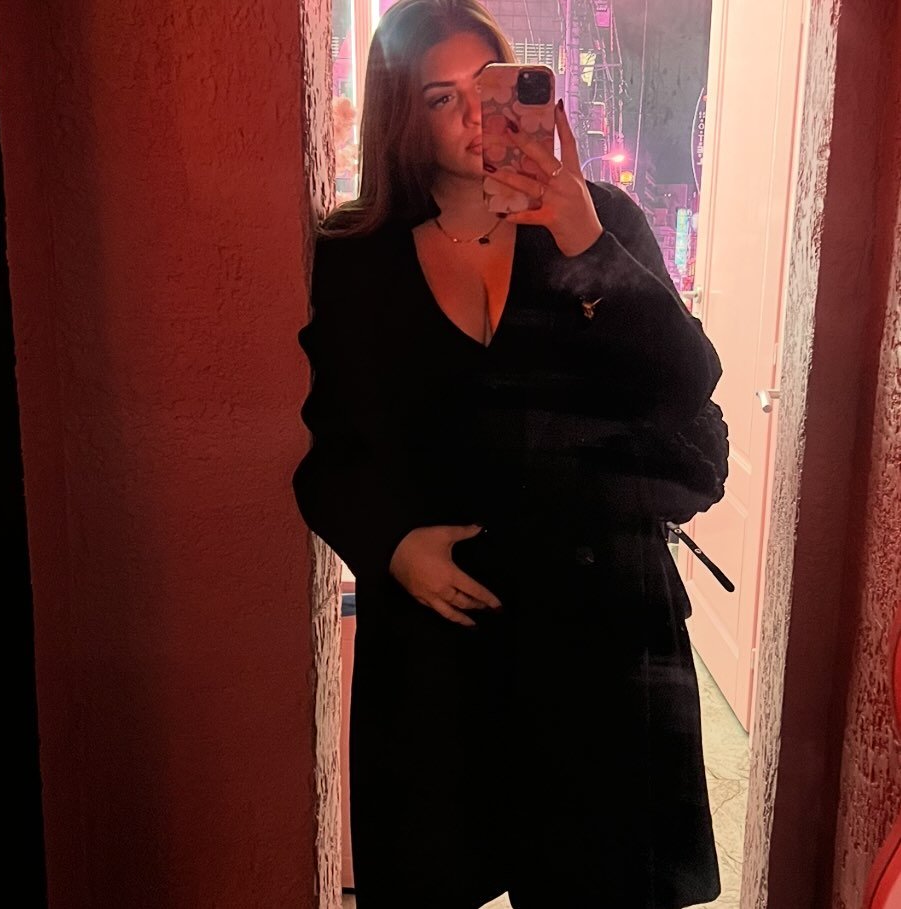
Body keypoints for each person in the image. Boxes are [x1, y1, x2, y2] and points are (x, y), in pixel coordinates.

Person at [293, 1, 725, 906]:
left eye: (490, 89)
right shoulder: (357, 254)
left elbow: (683, 384)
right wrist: (390, 547)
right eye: (440, 97)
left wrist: (580, 239)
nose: (474, 117)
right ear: (401, 115)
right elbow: (333, 451)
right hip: (441, 645)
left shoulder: (599, 220)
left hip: (597, 637)